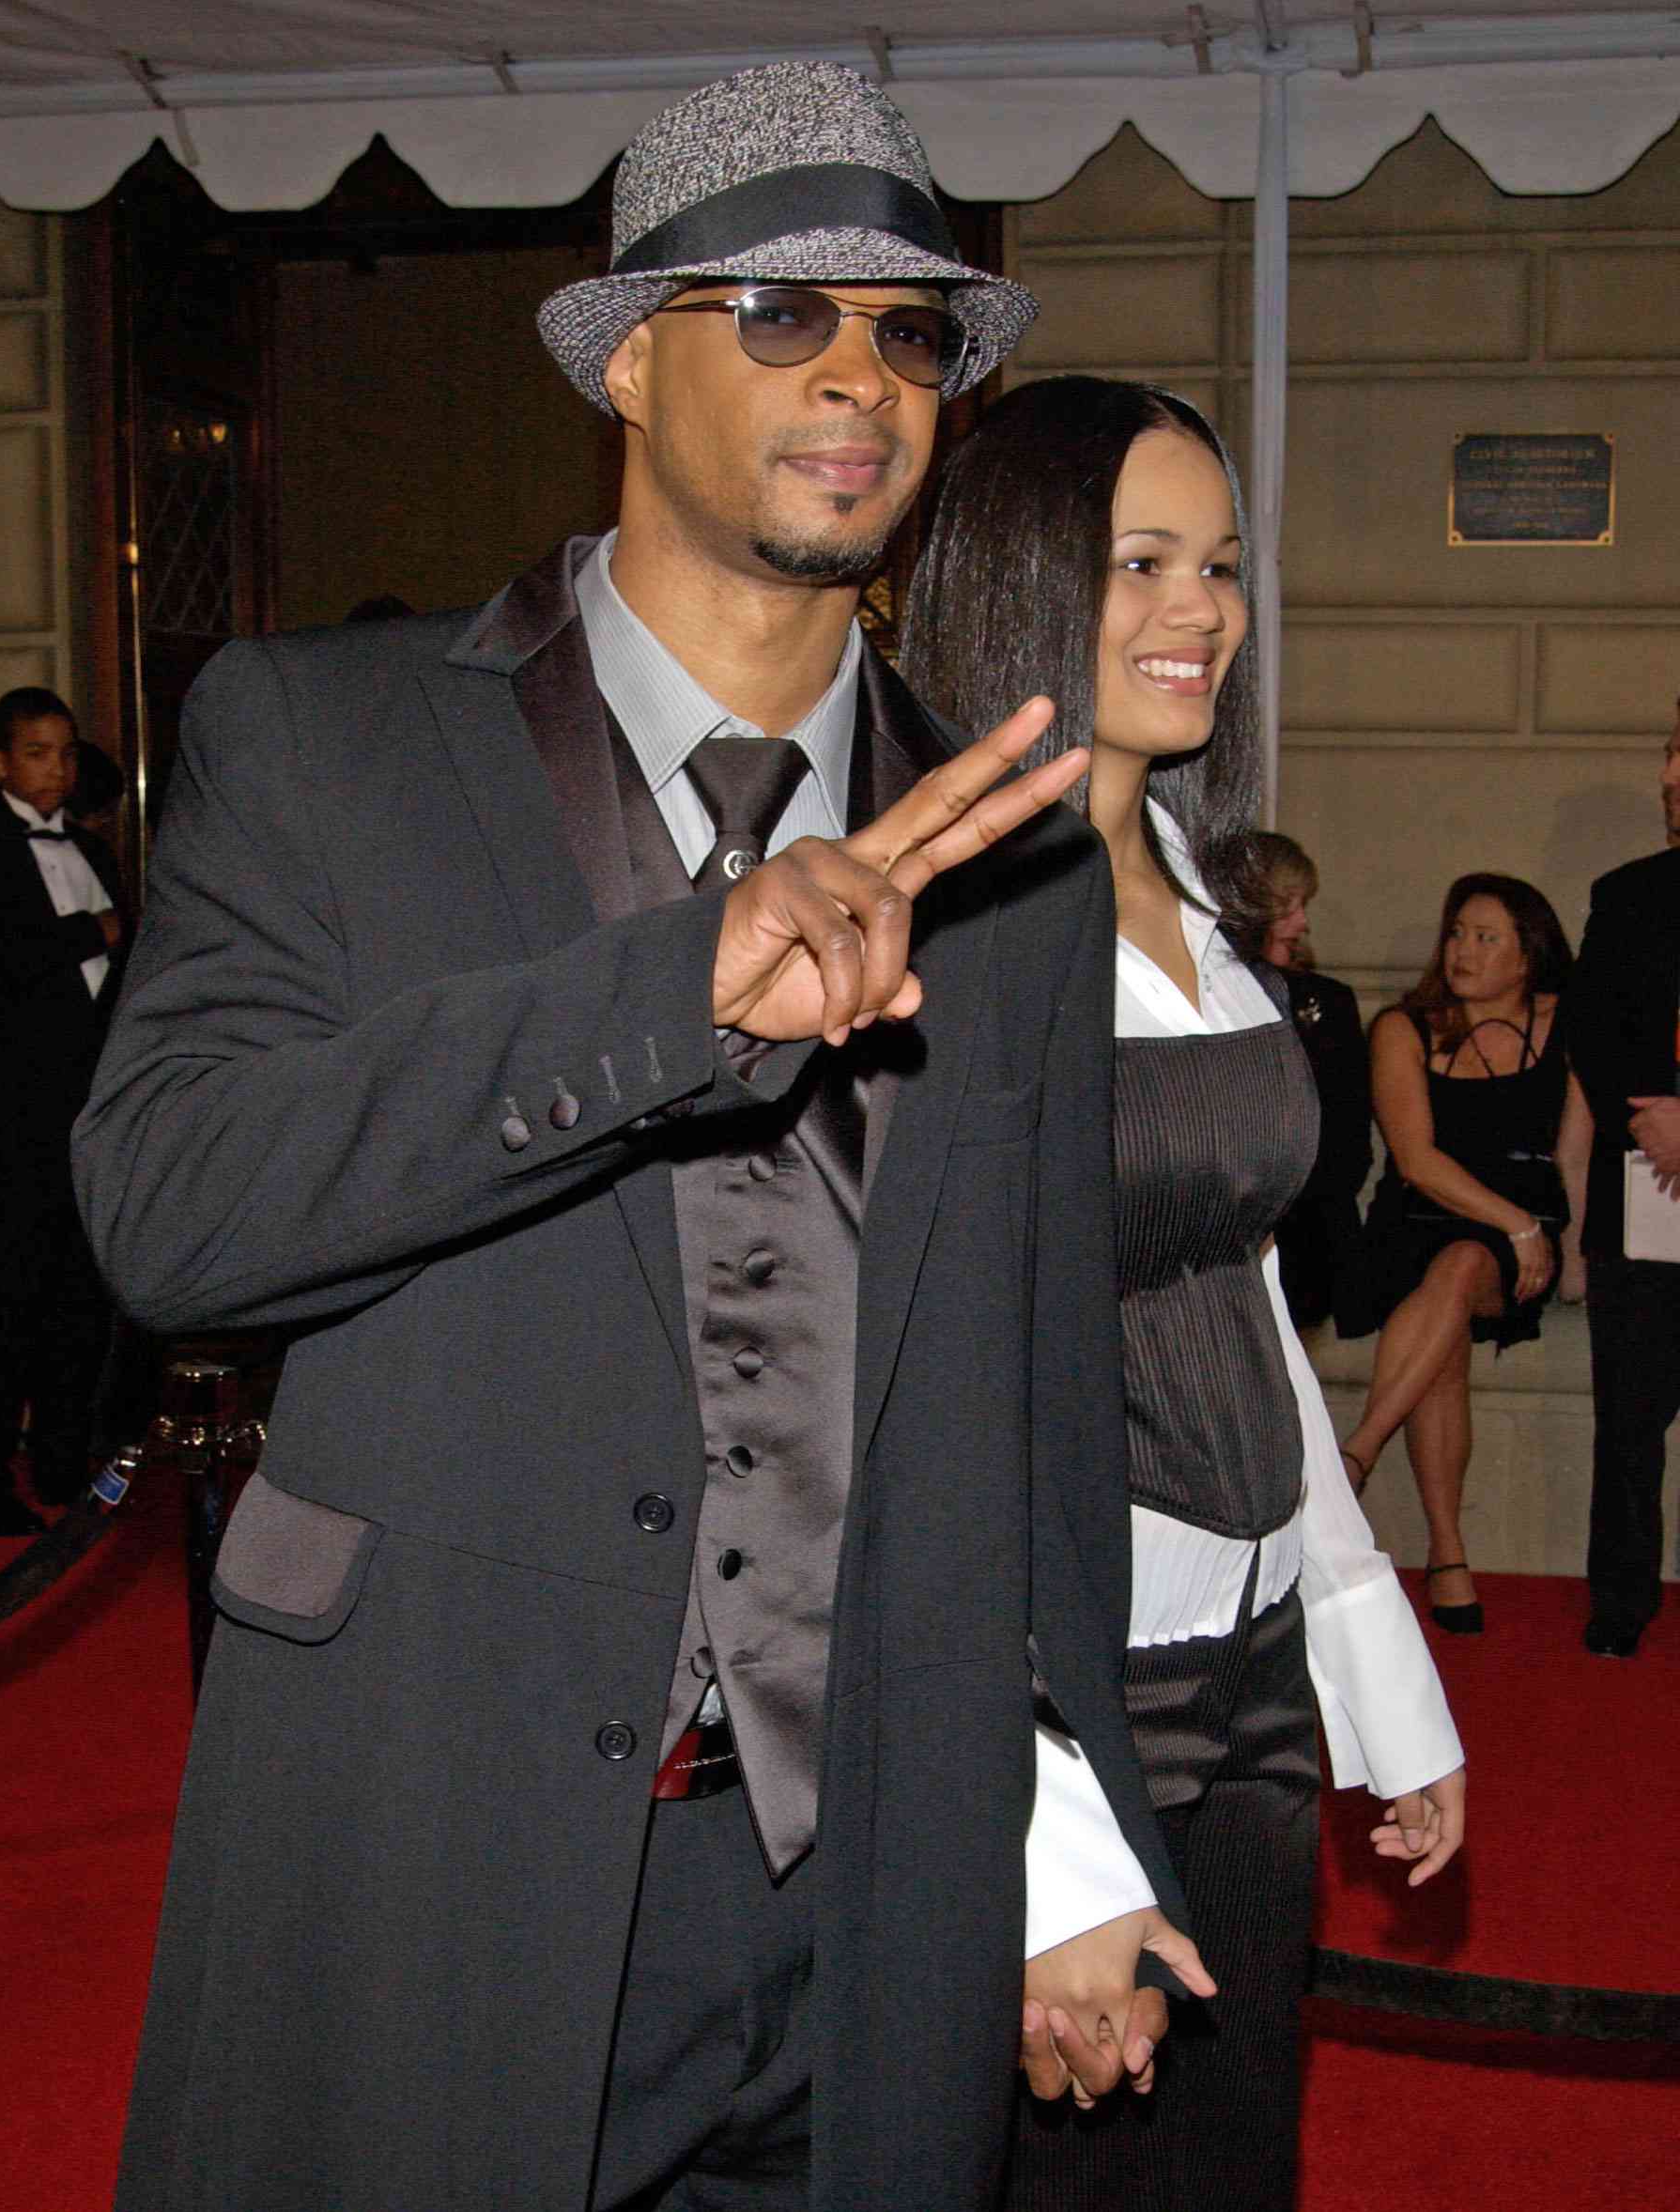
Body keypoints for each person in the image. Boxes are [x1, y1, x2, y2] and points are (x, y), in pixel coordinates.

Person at [75, 65, 1213, 2212]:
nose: (857, 376)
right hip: (446, 1836)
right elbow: (174, 1214)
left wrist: (1059, 1822)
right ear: (622, 353)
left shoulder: (1014, 856)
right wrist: (665, 992)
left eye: (907, 333)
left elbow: (1033, 1405)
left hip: (865, 1887)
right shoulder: (320, 740)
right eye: (780, 311)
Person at [902, 374, 1465, 2212]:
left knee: (1228, 2165)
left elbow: (1247, 1302)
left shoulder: (1203, 908)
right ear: (1013, 580)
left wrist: (1376, 1666)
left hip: (1258, 1657)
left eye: (1218, 562)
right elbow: (910, 1402)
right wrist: (1045, 1831)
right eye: (1137, 558)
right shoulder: (937, 915)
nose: (1198, 607)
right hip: (1066, 1689)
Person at [1338, 873, 1586, 1632]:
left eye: (1487, 938)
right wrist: (1517, 1223)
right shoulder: (1403, 1027)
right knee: (1446, 1301)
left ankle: (1358, 1452)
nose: (1464, 950)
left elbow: (1575, 1151)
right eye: (1456, 933)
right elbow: (1413, 1159)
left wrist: (1568, 1249)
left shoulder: (1567, 1026)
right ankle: (1447, 1552)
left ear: (1528, 954)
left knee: (1464, 1267)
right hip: (1422, 1216)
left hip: (1516, 1241)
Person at [0, 687, 124, 1534]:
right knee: (13, 1293)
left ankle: (61, 1460)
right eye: (39, 751)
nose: (58, 767)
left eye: (67, 752)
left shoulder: (92, 848)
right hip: (8, 1102)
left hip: (87, 1097)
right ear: (1, 760)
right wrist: (95, 933)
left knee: (82, 1289)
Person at [1564, 702, 1680, 1657]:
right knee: (1627, 1420)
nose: (1675, 773)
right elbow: (1590, 1037)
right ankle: (1620, 1599)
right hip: (1643, 1189)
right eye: (1674, 753)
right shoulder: (1624, 895)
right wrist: (1651, 1118)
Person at [1227, 831, 1371, 1331]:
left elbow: (1349, 1132)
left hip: (1309, 1234)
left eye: (1302, 906)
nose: (1302, 923)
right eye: (1288, 906)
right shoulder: (1210, 997)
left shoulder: (1327, 1002)